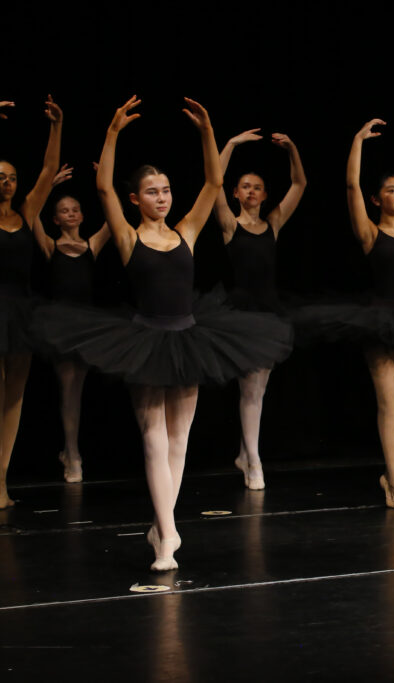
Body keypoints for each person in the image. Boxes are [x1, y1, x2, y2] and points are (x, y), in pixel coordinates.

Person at [34, 96, 291, 569]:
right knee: (153, 437)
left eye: (167, 190)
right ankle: (169, 534)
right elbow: (104, 188)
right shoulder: (129, 236)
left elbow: (213, 183)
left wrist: (208, 132)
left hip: (189, 338)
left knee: (179, 440)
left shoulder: (187, 231)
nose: (162, 198)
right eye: (152, 192)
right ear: (136, 199)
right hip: (145, 343)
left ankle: (162, 525)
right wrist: (112, 132)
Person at [295, 117, 394, 511]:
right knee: (389, 404)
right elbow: (351, 187)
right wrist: (357, 142)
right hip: (381, 323)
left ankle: (393, 474)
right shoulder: (370, 233)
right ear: (377, 199)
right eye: (391, 190)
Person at [213, 128, 307, 490]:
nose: (251, 191)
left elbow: (299, 184)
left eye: (257, 187)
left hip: (269, 315)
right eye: (245, 187)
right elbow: (213, 181)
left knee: (258, 390)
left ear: (265, 195)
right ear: (235, 193)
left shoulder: (273, 224)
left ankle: (245, 452)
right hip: (241, 316)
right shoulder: (229, 224)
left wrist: (292, 149)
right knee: (249, 390)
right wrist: (230, 145)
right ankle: (253, 461)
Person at [28, 163, 112, 483]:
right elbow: (30, 214)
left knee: (79, 388)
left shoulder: (92, 245)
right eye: (64, 211)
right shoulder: (51, 245)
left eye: (75, 209)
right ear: (56, 219)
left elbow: (114, 219)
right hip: (60, 328)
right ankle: (73, 453)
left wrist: (103, 185)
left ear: (82, 215)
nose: (71, 213)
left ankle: (71, 449)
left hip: (88, 328)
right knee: (68, 390)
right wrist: (48, 185)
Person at [0, 96, 62, 508]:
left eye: (11, 177)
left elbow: (48, 171)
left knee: (14, 399)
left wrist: (57, 126)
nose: (6, 182)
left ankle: (1, 481)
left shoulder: (24, 212)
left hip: (20, 312)